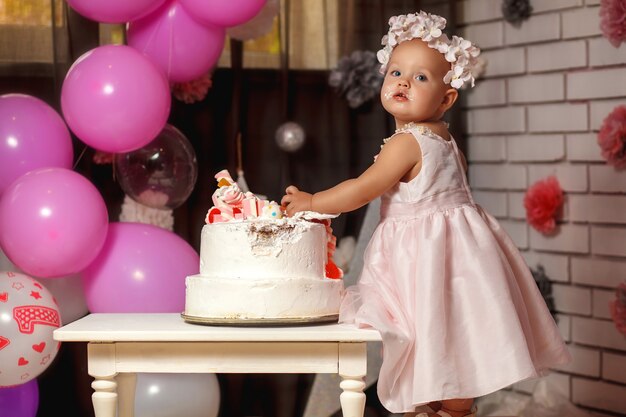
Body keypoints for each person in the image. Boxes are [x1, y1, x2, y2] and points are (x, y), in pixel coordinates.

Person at [281, 11, 571, 417]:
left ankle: (432, 408)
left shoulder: (407, 143)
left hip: (421, 259)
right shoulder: (447, 141)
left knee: (425, 341)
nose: (403, 81)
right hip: (460, 259)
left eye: (420, 78)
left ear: (446, 97)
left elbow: (362, 189)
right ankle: (454, 408)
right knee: (453, 340)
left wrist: (313, 203)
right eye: (396, 72)